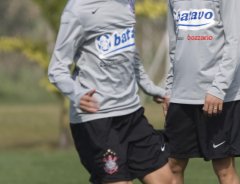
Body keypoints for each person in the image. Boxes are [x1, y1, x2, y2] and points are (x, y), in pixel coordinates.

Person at [48, 0, 173, 184]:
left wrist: (149, 86)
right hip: (97, 120)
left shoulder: (127, 3)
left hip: (131, 115)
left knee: (167, 180)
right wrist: (77, 94)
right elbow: (56, 69)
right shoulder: (78, 9)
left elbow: (129, 49)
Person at [164, 0, 240, 184]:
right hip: (182, 96)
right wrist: (170, 89)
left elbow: (235, 41)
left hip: (219, 97)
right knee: (173, 166)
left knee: (224, 169)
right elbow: (174, 46)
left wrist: (218, 88)